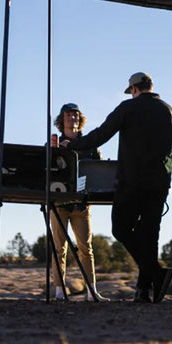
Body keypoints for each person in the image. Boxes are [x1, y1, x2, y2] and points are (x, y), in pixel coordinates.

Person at [63, 72, 172, 304]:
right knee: (150, 234)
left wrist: (73, 146)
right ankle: (144, 291)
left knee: (121, 229)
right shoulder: (170, 112)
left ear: (134, 89)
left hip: (132, 181)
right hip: (160, 181)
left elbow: (100, 135)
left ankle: (154, 275)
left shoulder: (128, 108)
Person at [49, 102, 107, 302]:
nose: (72, 118)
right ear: (61, 120)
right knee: (59, 248)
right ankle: (59, 291)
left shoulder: (90, 144)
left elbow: (98, 170)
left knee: (86, 248)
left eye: (75, 115)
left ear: (79, 119)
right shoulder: (55, 143)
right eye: (68, 115)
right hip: (59, 203)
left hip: (82, 204)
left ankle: (92, 292)